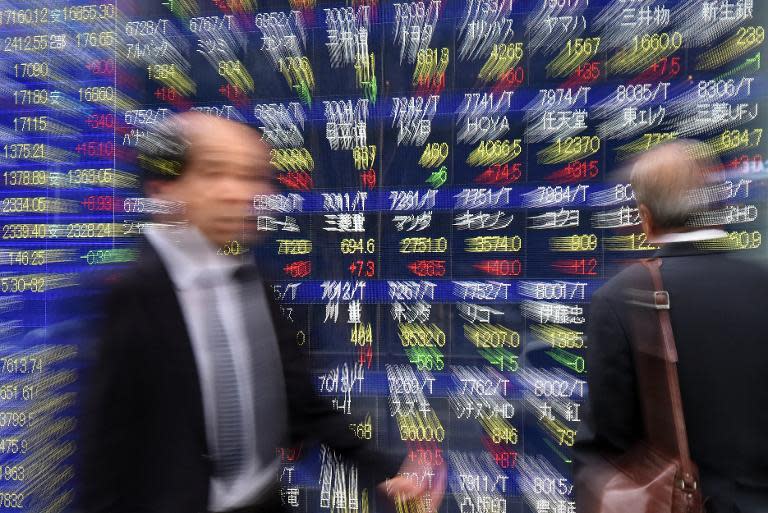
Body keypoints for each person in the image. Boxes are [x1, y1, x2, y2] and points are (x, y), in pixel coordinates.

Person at [77, 112, 446, 513]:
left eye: (253, 176)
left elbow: (300, 399)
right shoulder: (132, 296)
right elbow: (103, 453)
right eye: (215, 171)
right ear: (164, 186)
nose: (240, 192)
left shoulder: (255, 282)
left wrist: (385, 468)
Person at [574, 141, 768, 513]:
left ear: (645, 219)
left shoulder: (620, 300)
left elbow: (603, 452)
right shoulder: (761, 286)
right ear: (719, 210)